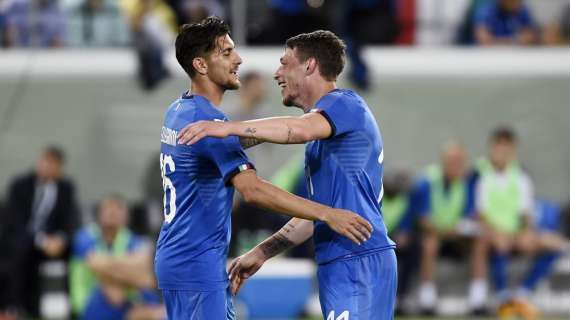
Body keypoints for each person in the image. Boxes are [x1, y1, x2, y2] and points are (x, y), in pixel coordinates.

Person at [154, 17, 373, 320]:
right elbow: (253, 190)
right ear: (201, 65)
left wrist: (228, 130)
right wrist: (327, 213)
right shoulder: (210, 123)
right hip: (197, 264)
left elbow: (235, 139)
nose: (238, 59)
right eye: (227, 52)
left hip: (178, 256)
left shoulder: (180, 110)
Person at [475, 127, 561, 318]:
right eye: (500, 147)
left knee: (554, 245)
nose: (503, 153)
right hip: (493, 234)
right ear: (492, 148)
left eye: (508, 148)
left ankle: (524, 293)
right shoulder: (481, 175)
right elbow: (481, 214)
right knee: (497, 244)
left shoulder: (521, 177)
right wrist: (498, 232)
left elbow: (526, 213)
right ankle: (502, 298)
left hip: (515, 233)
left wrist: (525, 232)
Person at [4, 146, 80, 318]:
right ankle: (16, 307)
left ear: (60, 168)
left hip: (54, 243)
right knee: (18, 251)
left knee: (78, 251)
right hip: (25, 240)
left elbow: (71, 220)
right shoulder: (20, 185)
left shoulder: (66, 188)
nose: (47, 167)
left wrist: (61, 239)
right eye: (45, 161)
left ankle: (71, 307)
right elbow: (14, 222)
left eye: (53, 164)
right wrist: (41, 241)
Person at [415, 141, 488, 315]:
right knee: (429, 244)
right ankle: (427, 300)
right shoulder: (428, 181)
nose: (456, 165)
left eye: (459, 161)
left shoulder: (467, 184)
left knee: (480, 242)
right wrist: (444, 230)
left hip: (457, 236)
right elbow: (422, 219)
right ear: (443, 161)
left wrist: (464, 228)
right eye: (452, 161)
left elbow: (472, 215)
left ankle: (478, 300)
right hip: (435, 235)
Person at [69, 195, 165, 320]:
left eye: (118, 208)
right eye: (108, 208)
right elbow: (96, 265)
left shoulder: (133, 239)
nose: (112, 212)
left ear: (127, 216)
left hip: (128, 300)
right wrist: (130, 270)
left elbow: (146, 271)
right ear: (98, 213)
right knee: (110, 287)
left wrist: (108, 266)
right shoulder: (84, 237)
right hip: (90, 302)